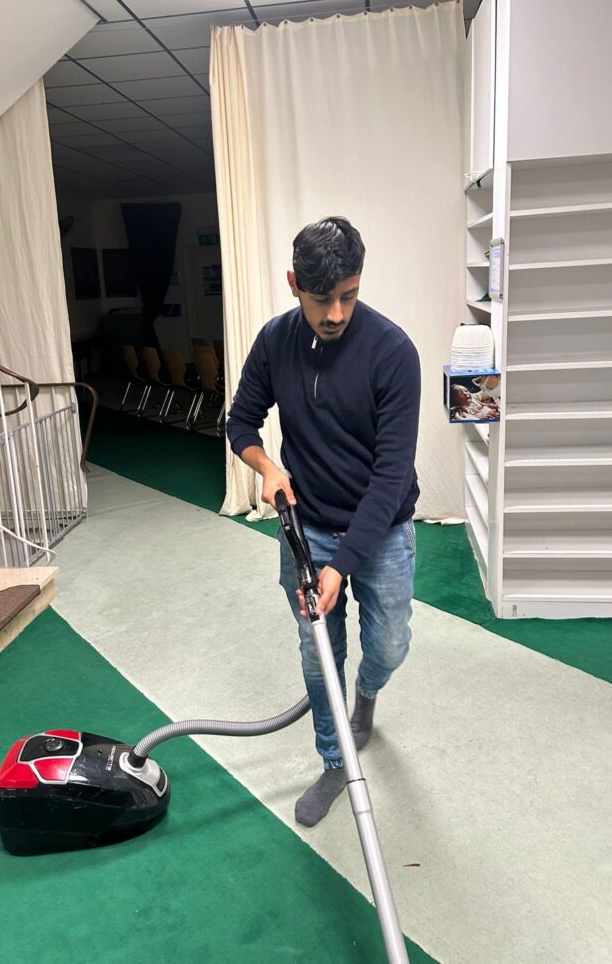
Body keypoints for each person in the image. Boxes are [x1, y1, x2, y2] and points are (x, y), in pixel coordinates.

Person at [226, 216, 421, 827]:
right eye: (321, 299)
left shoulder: (393, 352)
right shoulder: (274, 341)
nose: (335, 313)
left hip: (382, 528)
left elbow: (391, 478)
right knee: (319, 654)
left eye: (349, 295)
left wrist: (342, 566)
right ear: (293, 284)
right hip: (306, 528)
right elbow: (240, 421)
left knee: (388, 645)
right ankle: (335, 761)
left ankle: (366, 695)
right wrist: (267, 468)